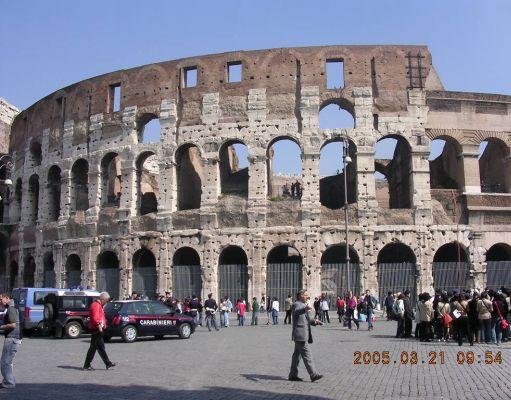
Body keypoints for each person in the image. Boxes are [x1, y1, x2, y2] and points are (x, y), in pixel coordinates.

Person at [288, 290, 323, 382]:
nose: (307, 297)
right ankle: (313, 374)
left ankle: (292, 375)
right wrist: (305, 309)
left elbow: (307, 319)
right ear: (300, 296)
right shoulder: (296, 304)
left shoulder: (303, 305)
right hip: (300, 334)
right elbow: (296, 311)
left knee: (296, 356)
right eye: (306, 295)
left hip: (301, 334)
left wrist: (315, 321)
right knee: (307, 355)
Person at [83, 292, 116, 370]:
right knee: (93, 348)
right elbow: (95, 318)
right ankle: (86, 365)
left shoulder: (99, 305)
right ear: (102, 299)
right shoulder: (96, 305)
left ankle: (108, 363)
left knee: (101, 347)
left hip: (98, 329)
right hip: (96, 329)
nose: (106, 302)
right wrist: (100, 329)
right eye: (106, 301)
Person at [0, 293, 21, 388]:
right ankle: (7, 380)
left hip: (12, 337)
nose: (0, 301)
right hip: (15, 337)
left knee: (5, 361)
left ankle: (9, 382)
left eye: (1, 299)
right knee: (8, 361)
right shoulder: (13, 306)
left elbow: (13, 324)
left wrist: (1, 327)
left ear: (7, 298)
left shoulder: (11, 309)